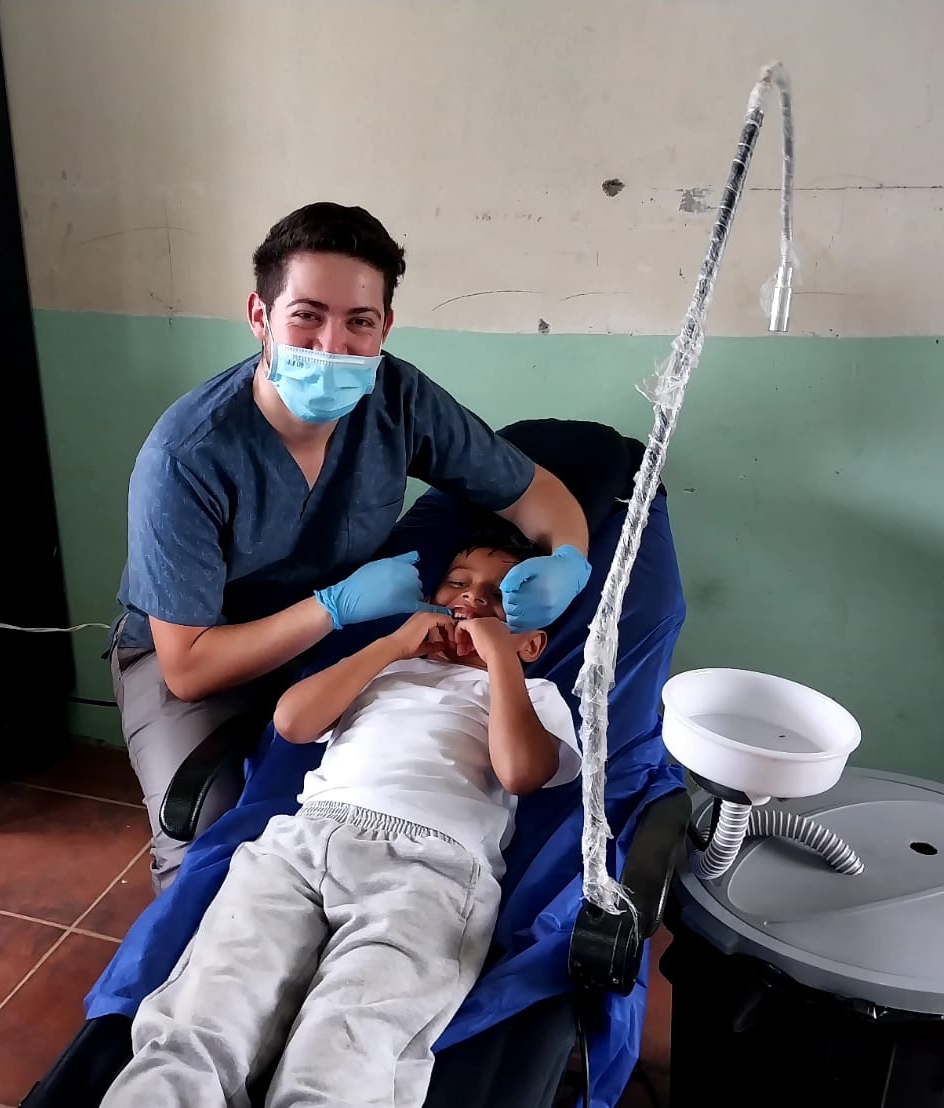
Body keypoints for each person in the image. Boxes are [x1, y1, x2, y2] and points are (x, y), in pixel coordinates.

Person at [77, 530, 582, 1108]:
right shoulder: (382, 672)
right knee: (201, 1023)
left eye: (498, 598)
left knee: (345, 1058)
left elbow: (521, 771)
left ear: (533, 642)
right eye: (458, 584)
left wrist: (499, 661)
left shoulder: (534, 696)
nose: (469, 601)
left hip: (427, 872)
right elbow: (292, 723)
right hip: (303, 843)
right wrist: (389, 646)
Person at [114, 200, 595, 891]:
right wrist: (334, 608)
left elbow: (533, 491)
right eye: (306, 315)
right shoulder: (187, 456)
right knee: (203, 831)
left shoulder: (397, 399)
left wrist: (569, 560)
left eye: (359, 322)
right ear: (260, 316)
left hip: (334, 645)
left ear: (384, 327)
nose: (331, 346)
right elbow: (187, 667)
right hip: (198, 650)